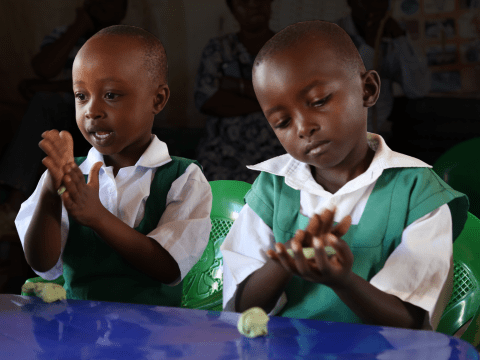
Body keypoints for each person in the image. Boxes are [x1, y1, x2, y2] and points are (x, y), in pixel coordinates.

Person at [221, 20, 469, 330]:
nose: (303, 127)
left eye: (319, 101)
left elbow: (410, 324)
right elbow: (243, 307)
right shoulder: (273, 187)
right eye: (282, 122)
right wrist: (284, 263)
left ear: (368, 90)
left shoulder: (417, 193)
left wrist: (343, 282)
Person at [14, 25, 213, 307]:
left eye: (111, 95)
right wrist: (50, 190)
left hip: (152, 338)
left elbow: (168, 268)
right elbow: (42, 264)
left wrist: (98, 218)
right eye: (81, 96)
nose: (91, 111)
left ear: (158, 99)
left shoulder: (184, 179)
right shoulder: (71, 174)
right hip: (80, 333)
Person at [0, 0, 128, 233]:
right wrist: (78, 27)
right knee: (42, 104)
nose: (103, 8)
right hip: (64, 117)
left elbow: (101, 85)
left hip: (100, 118)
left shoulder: (123, 41)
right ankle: (14, 205)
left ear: (122, 10)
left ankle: (15, 202)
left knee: (44, 98)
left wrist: (46, 87)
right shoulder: (65, 34)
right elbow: (44, 68)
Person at [194, 0, 285, 184]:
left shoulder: (288, 49)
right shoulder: (218, 49)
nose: (253, 5)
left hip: (276, 154)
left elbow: (292, 100)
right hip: (222, 155)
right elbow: (207, 100)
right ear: (233, 9)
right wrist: (269, 101)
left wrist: (237, 86)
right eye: (244, 2)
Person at [336, 0, 431, 137]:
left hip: (380, 136)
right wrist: (370, 45)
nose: (374, 7)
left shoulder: (392, 40)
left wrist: (401, 39)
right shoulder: (330, 36)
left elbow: (419, 89)